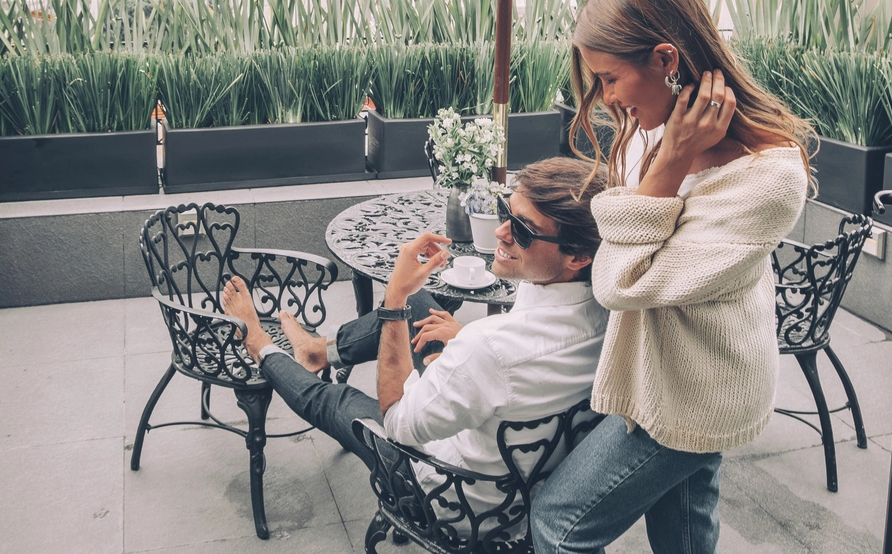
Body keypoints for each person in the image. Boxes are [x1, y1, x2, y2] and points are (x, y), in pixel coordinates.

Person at [531, 0, 811, 554]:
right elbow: (629, 244)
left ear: (665, 60)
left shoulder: (766, 178)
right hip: (664, 376)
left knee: (558, 525)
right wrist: (670, 153)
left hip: (693, 391)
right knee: (684, 534)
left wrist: (672, 160)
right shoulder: (656, 129)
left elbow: (620, 280)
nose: (606, 99)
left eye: (609, 78)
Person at [220, 157, 608, 514]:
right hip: (521, 475)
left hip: (449, 497)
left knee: (334, 398)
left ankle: (259, 343)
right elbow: (515, 359)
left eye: (524, 231)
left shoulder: (488, 347)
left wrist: (393, 297)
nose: (502, 231)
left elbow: (397, 422)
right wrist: (463, 340)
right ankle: (319, 350)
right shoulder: (608, 316)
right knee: (421, 303)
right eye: (507, 211)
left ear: (577, 257)